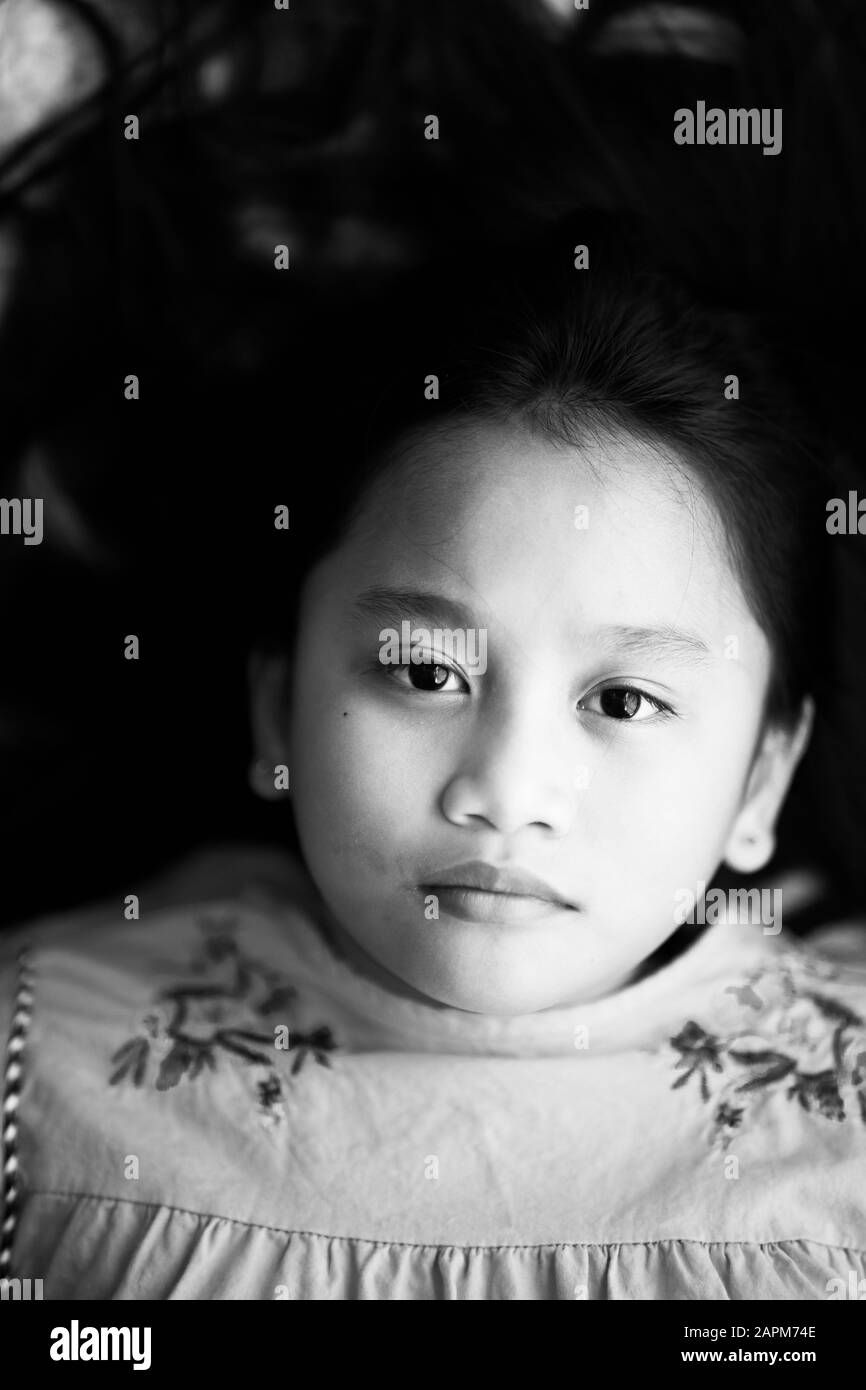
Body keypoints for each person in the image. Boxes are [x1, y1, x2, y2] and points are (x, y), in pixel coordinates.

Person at [1, 246, 864, 1300]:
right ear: (278, 707)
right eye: (423, 670)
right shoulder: (37, 1073)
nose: (503, 792)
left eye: (624, 701)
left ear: (760, 780)